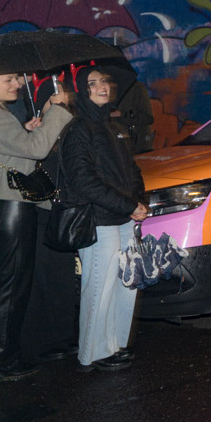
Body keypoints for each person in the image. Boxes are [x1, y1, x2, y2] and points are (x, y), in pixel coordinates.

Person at [60, 66, 149, 372]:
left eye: (104, 82)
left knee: (124, 285)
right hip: (99, 221)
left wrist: (140, 202)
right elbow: (84, 181)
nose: (102, 87)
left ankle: (113, 345)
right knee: (100, 288)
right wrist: (128, 205)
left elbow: (132, 171)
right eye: (92, 83)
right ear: (81, 92)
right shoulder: (79, 130)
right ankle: (92, 354)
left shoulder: (113, 127)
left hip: (121, 217)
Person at [0, 71, 74, 381]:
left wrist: (27, 131)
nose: (17, 84)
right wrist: (57, 110)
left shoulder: (4, 115)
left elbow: (21, 150)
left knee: (9, 283)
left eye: (17, 79)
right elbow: (37, 151)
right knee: (12, 285)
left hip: (8, 206)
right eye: (9, 80)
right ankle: (5, 359)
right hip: (12, 208)